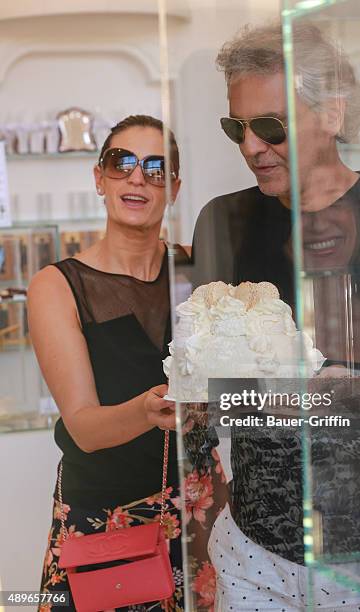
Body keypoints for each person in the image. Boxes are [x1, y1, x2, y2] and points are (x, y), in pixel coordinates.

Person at [186, 21, 360, 611]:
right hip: (255, 552)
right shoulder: (221, 224)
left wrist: (358, 395)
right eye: (237, 127)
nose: (250, 146)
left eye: (270, 125)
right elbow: (212, 387)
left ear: (332, 114)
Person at [28, 115, 185, 611]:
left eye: (156, 167)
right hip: (103, 517)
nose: (138, 177)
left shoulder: (198, 270)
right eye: (123, 163)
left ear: (174, 187)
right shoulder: (57, 286)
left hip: (194, 505)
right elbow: (85, 429)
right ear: (99, 178)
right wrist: (145, 411)